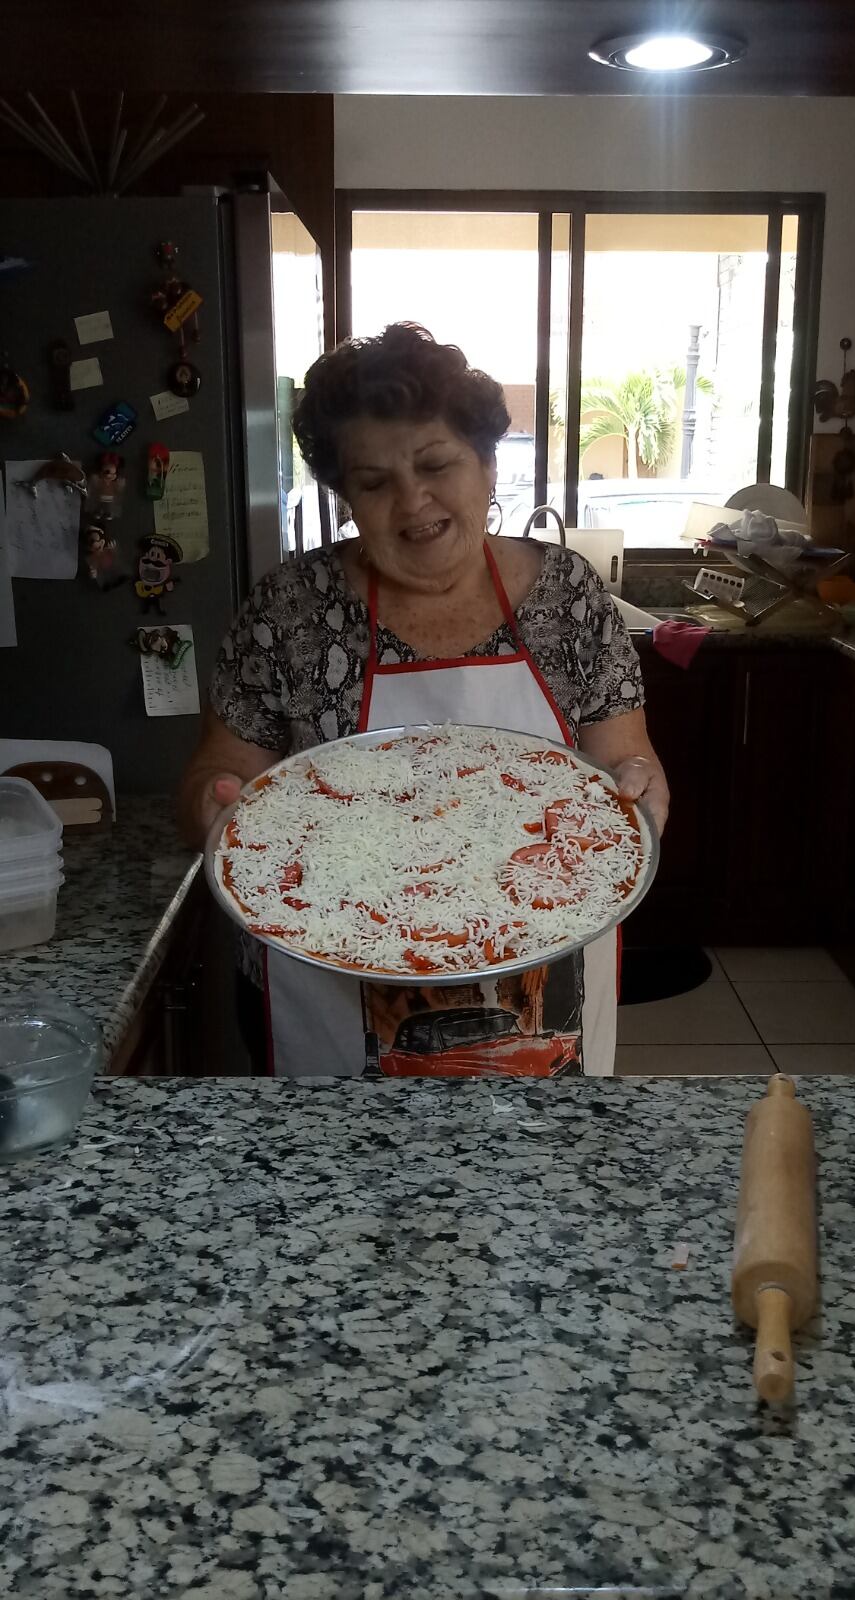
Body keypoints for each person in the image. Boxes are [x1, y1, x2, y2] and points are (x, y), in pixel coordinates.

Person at [179, 324, 668, 1078]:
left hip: (542, 979)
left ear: (488, 463)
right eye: (374, 483)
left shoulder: (569, 595)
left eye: (437, 464)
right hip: (326, 987)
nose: (413, 502)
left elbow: (627, 767)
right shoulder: (289, 610)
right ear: (346, 496)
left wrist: (641, 796)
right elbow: (216, 780)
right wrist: (217, 809)